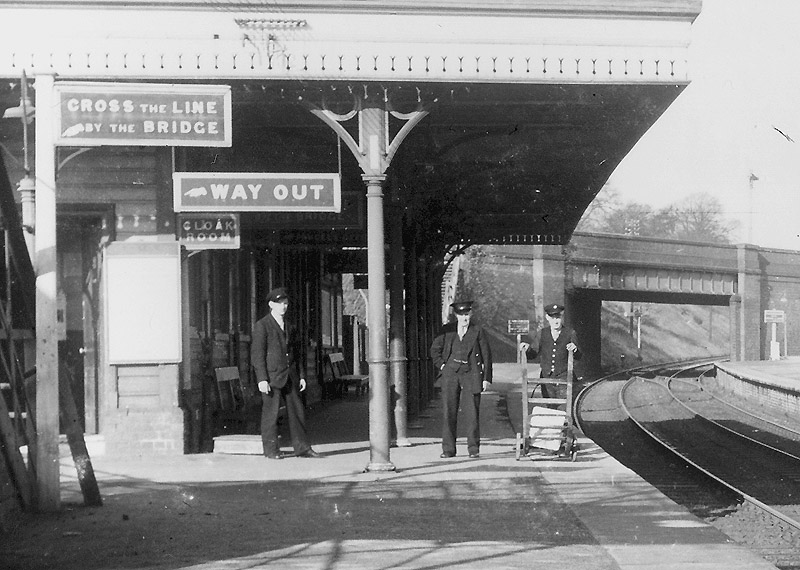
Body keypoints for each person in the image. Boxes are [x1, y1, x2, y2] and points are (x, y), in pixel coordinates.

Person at [251, 287, 321, 459]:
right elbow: (257, 354)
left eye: (285, 303)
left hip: (291, 375)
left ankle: (303, 448)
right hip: (272, 376)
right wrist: (262, 379)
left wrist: (302, 375)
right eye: (279, 303)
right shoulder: (262, 326)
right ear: (270, 305)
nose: (283, 307)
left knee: (297, 412)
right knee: (271, 414)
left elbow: (298, 353)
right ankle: (271, 450)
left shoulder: (291, 326)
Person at [430, 300, 492, 459]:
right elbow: (434, 350)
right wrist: (443, 366)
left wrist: (486, 378)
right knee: (449, 412)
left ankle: (473, 449)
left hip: (471, 373)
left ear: (471, 314)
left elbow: (486, 355)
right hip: (450, 374)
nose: (465, 318)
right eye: (462, 315)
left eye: (467, 314)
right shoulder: (447, 330)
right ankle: (448, 450)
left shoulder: (477, 331)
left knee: (472, 412)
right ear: (456, 315)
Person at [519, 303, 581, 403]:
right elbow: (533, 354)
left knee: (563, 407)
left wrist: (575, 349)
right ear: (547, 317)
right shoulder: (542, 333)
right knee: (550, 406)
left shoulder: (570, 333)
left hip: (564, 378)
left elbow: (579, 356)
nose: (555, 321)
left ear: (562, 317)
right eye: (552, 318)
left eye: (558, 317)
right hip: (546, 379)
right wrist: (527, 349)